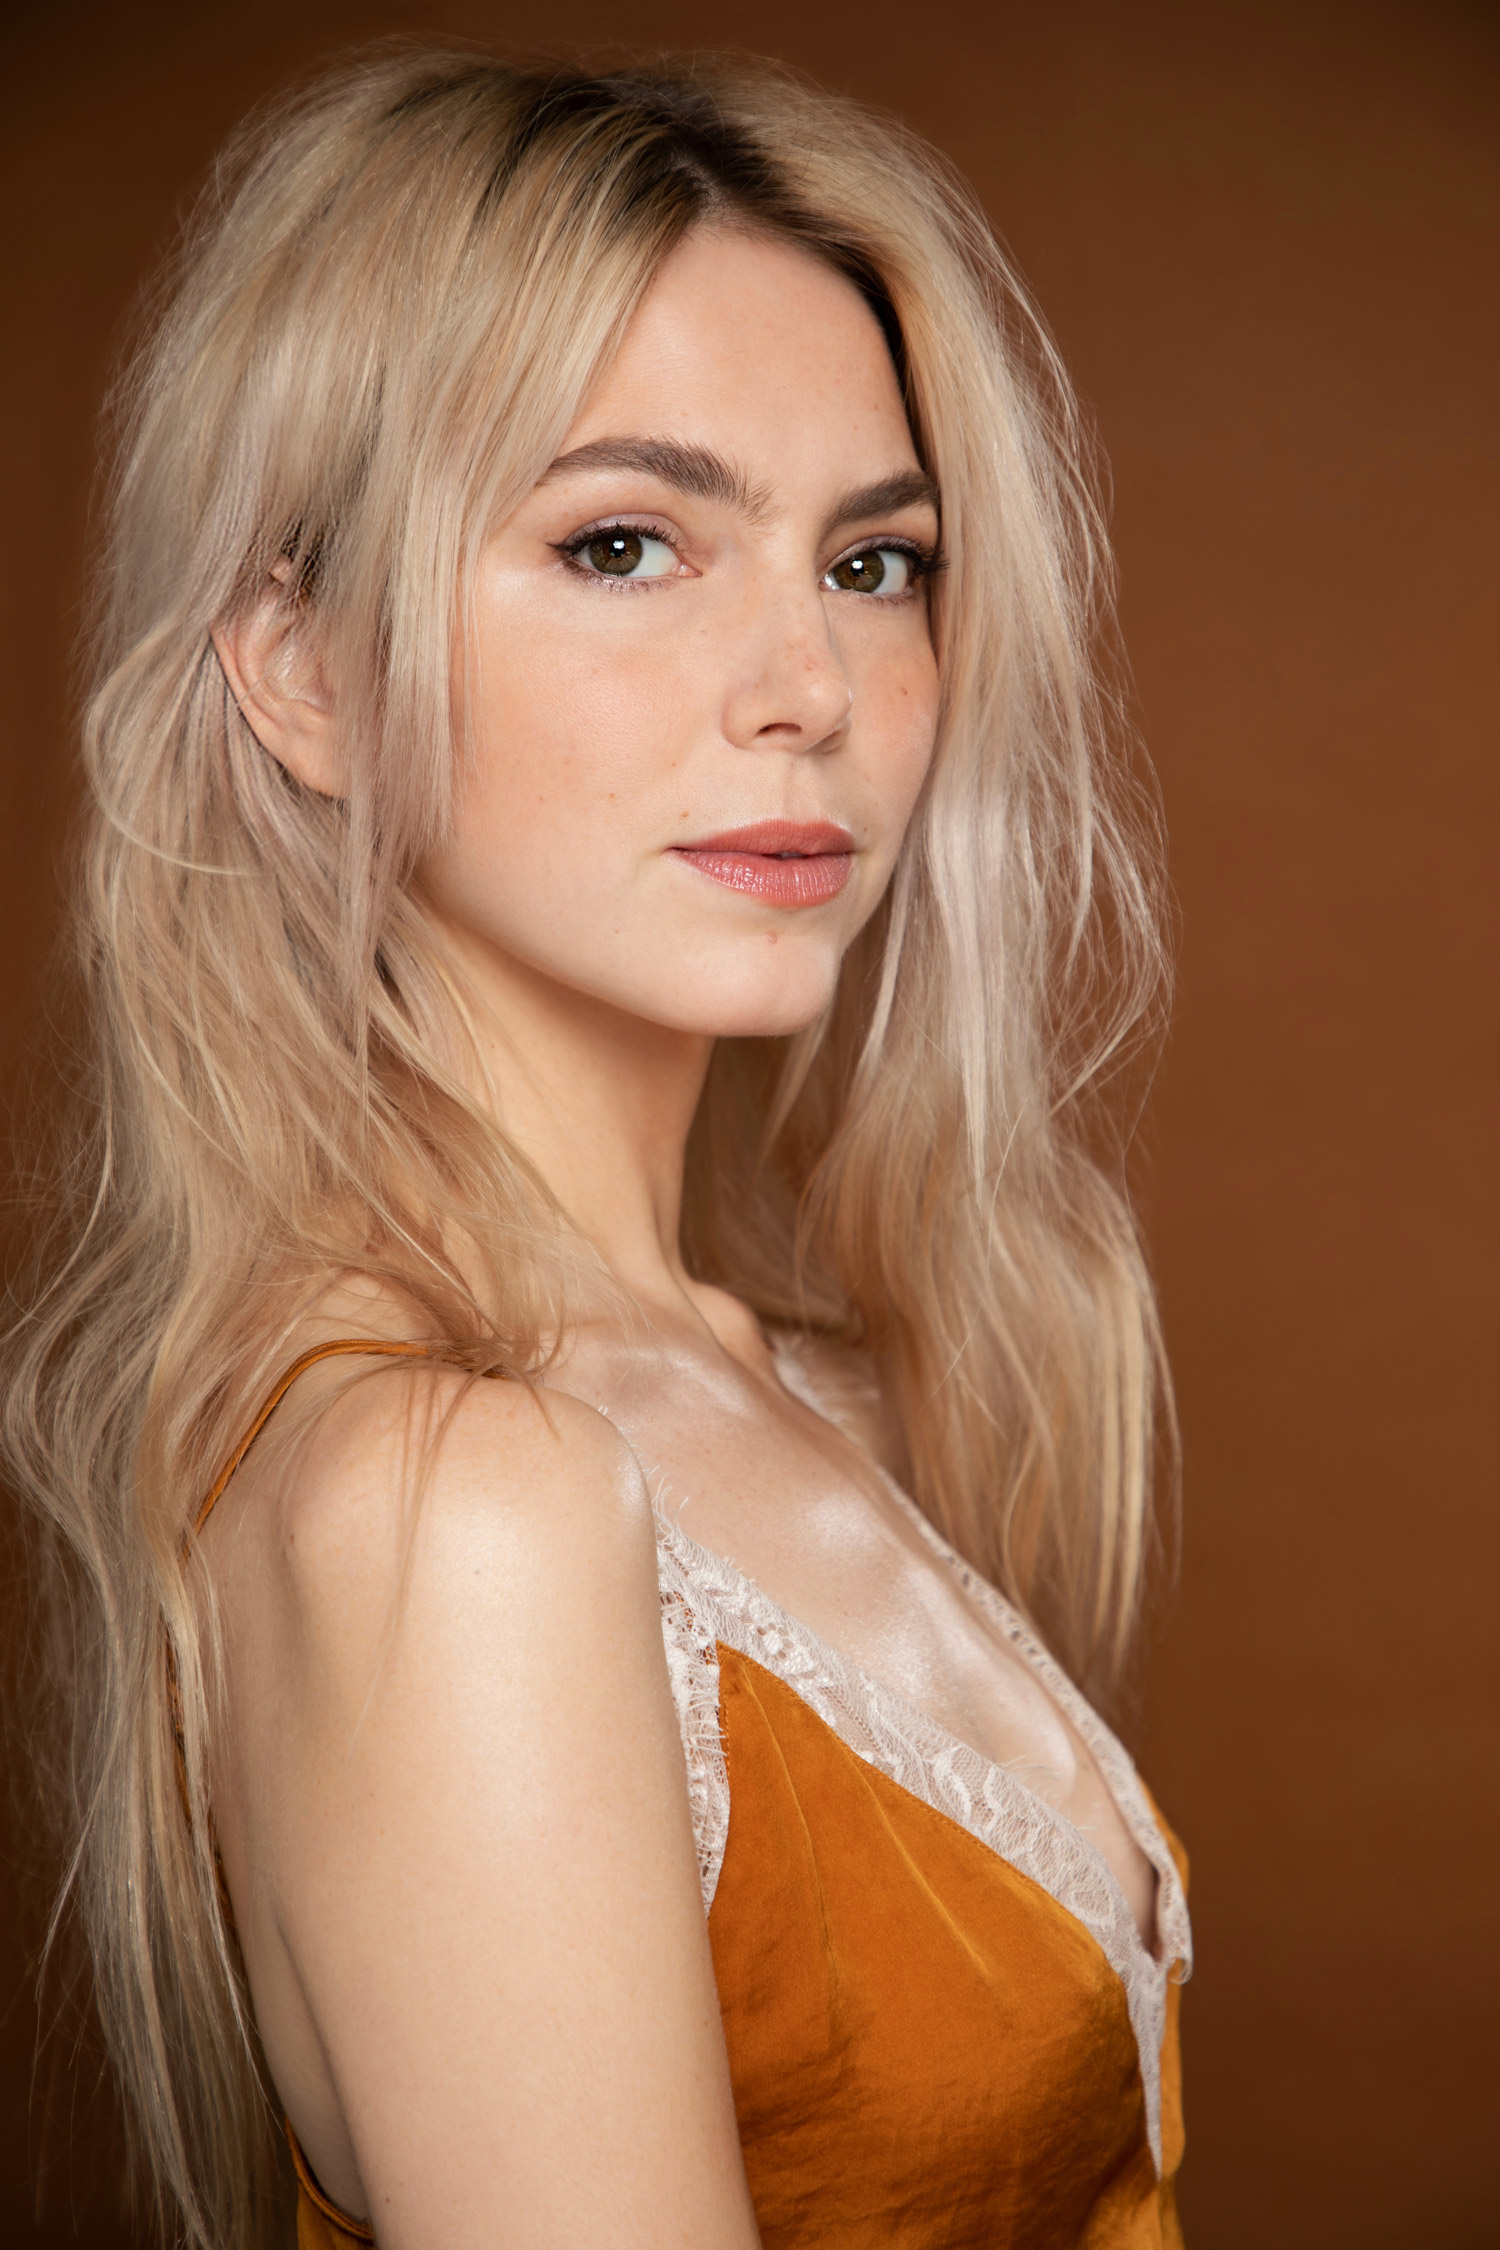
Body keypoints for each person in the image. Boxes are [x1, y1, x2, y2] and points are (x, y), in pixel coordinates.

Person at [3, 47, 1190, 2250]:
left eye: (878, 559)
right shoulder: (458, 1497)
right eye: (626, 542)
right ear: (303, 672)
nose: (808, 685)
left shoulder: (806, 1373)